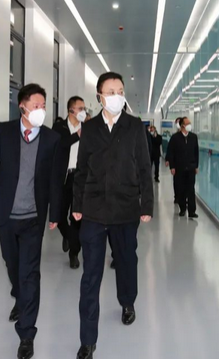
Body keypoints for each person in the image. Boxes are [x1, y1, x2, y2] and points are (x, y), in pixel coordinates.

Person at [0, 83, 62, 359]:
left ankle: (26, 334)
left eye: (44, 106)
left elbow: (55, 180)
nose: (41, 110)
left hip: (34, 217)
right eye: (36, 105)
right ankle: (20, 297)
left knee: (30, 273)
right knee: (13, 265)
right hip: (6, 214)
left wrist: (55, 214)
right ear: (22, 106)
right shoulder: (4, 131)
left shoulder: (51, 139)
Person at [72, 72, 154, 359]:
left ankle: (127, 301)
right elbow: (81, 169)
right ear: (99, 96)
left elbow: (144, 167)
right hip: (94, 211)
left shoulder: (134, 127)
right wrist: (77, 204)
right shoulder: (90, 128)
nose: (117, 95)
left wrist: (147, 205)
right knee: (90, 276)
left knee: (127, 262)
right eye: (111, 91)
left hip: (125, 209)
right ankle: (87, 340)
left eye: (120, 90)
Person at [52, 96, 86, 269]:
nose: (83, 111)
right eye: (80, 108)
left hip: (80, 178)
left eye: (84, 108)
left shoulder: (88, 129)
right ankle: (67, 235)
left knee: (77, 217)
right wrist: (77, 136)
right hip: (63, 178)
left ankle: (74, 253)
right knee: (58, 215)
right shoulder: (59, 127)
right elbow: (59, 145)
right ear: (71, 110)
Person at [166, 117, 199, 218]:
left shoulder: (193, 137)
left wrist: (196, 166)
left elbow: (196, 152)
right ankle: (183, 208)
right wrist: (172, 166)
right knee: (181, 189)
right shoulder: (175, 138)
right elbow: (171, 152)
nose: (190, 125)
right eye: (187, 123)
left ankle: (192, 211)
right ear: (182, 126)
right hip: (179, 168)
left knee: (191, 189)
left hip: (191, 167)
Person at [164, 117, 182, 203]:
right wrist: (168, 160)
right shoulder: (174, 137)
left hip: (186, 164)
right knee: (177, 181)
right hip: (176, 162)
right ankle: (177, 196)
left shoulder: (189, 136)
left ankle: (184, 197)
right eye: (177, 123)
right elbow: (170, 149)